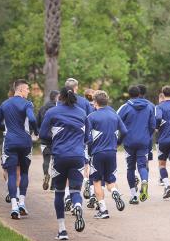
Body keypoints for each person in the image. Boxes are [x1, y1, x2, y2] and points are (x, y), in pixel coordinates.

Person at [39, 87, 89, 240]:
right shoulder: (81, 112)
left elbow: (42, 134)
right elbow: (88, 137)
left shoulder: (52, 112)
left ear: (59, 97)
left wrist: (54, 137)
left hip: (60, 156)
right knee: (75, 190)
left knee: (59, 193)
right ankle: (78, 206)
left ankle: (62, 230)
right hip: (77, 156)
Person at [0, 79, 38, 220]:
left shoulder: (5, 104)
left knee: (12, 174)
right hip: (25, 142)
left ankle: (14, 206)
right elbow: (32, 119)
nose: (29, 91)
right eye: (28, 89)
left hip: (10, 142)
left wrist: (5, 129)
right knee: (24, 172)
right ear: (21, 89)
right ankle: (22, 203)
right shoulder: (27, 104)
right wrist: (35, 131)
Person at [87, 90, 127, 219]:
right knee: (110, 179)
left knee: (97, 181)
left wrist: (89, 148)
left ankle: (103, 210)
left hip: (97, 152)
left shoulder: (91, 117)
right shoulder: (114, 115)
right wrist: (118, 143)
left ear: (95, 102)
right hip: (112, 152)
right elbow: (125, 131)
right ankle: (115, 192)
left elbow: (86, 136)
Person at [118, 86, 156, 204]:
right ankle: (144, 181)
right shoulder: (149, 107)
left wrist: (119, 140)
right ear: (139, 94)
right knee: (142, 166)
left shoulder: (125, 107)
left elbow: (116, 121)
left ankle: (134, 196)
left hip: (129, 141)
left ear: (129, 94)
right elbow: (153, 126)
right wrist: (147, 136)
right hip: (144, 141)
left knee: (130, 168)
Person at [64, 78, 94, 202]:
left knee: (66, 167)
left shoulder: (61, 101)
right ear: (76, 87)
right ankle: (86, 181)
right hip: (81, 137)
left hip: (64, 137)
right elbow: (91, 118)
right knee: (85, 163)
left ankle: (66, 195)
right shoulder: (84, 102)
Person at [37, 90, 60, 191]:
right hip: (56, 138)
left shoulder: (42, 108)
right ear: (56, 97)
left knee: (46, 159)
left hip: (45, 138)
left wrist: (39, 132)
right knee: (55, 161)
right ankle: (53, 185)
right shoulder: (58, 109)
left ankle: (46, 174)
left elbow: (37, 122)